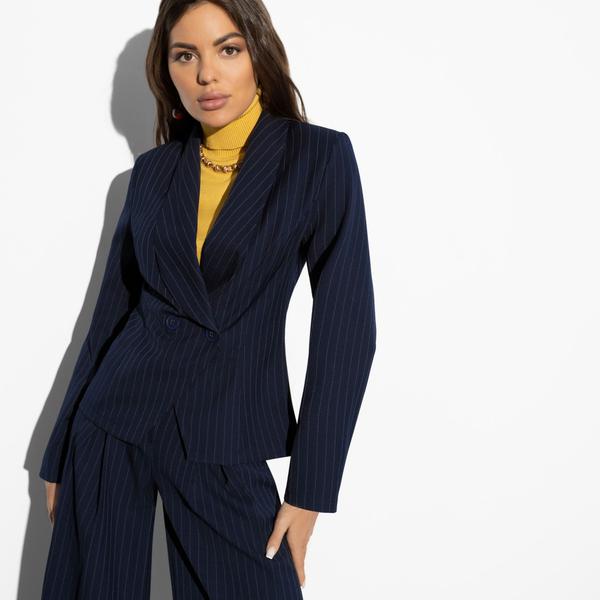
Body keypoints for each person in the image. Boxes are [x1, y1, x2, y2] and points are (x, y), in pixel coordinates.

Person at [39, 0, 377, 598]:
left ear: (258, 55)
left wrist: (310, 490)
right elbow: (109, 316)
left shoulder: (318, 158)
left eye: (227, 49)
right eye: (184, 55)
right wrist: (61, 447)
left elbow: (346, 329)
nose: (205, 74)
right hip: (113, 423)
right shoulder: (152, 173)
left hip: (226, 435)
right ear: (166, 71)